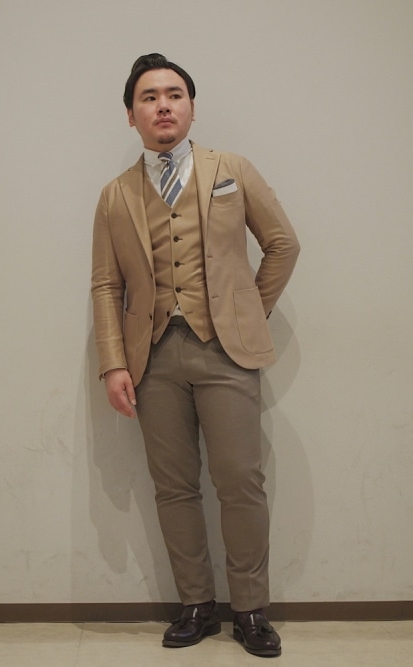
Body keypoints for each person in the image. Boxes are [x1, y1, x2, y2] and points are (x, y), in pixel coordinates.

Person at [91, 53, 299, 658]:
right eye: (149, 97)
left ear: (191, 107)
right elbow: (106, 284)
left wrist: (246, 311)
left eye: (174, 94)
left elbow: (282, 244)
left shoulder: (231, 169)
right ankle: (196, 605)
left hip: (225, 353)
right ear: (130, 114)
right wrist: (113, 363)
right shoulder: (115, 195)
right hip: (152, 357)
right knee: (174, 486)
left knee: (241, 482)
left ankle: (251, 608)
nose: (163, 105)